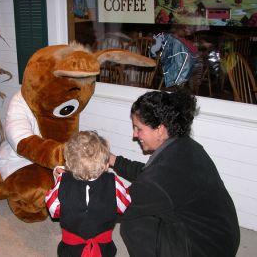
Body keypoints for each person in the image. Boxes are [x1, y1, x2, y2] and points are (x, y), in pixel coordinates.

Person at [110, 90, 240, 256]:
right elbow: (147, 174)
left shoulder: (161, 176)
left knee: (133, 223)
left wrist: (75, 197)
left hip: (206, 249)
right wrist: (112, 160)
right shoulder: (185, 146)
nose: (134, 134)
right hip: (223, 237)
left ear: (160, 129)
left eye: (139, 128)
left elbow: (122, 206)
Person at [45, 130, 131, 257]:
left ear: (67, 164)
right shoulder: (114, 183)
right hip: (103, 249)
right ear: (106, 165)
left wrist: (59, 180)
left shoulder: (62, 183)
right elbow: (124, 205)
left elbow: (53, 210)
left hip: (70, 250)